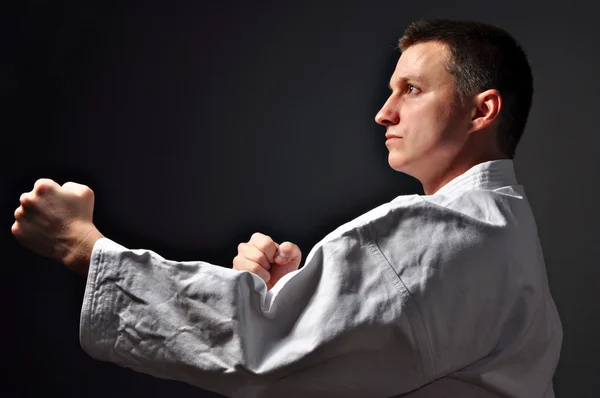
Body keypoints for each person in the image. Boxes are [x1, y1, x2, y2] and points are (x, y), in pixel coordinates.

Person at [11, 19, 562, 398]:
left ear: (481, 109)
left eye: (412, 89)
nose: (383, 112)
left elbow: (255, 345)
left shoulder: (443, 230)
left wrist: (79, 245)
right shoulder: (503, 227)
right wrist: (308, 296)